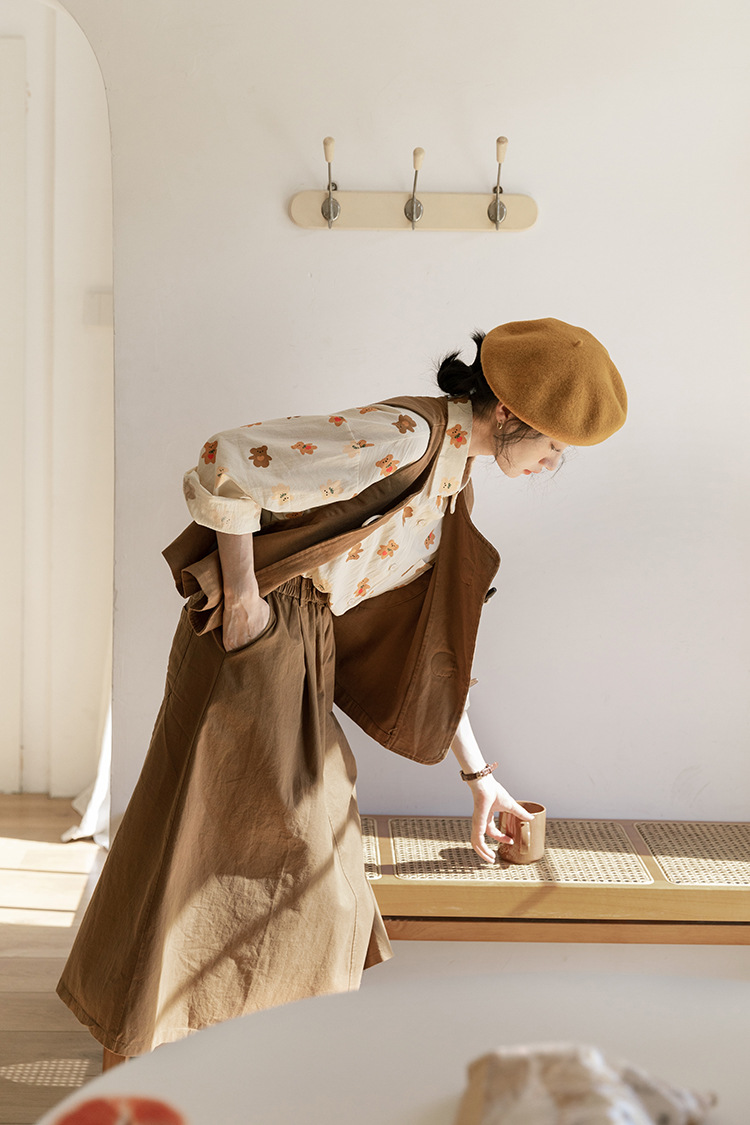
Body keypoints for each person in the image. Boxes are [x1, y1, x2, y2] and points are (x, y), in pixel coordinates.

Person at [57, 317, 627, 1066]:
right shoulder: (407, 437)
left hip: (302, 645)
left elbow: (433, 652)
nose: (553, 462)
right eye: (553, 444)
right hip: (262, 636)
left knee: (271, 863)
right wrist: (243, 601)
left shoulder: (453, 480)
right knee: (223, 847)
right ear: (510, 412)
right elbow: (228, 457)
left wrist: (480, 778)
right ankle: (141, 1056)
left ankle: (213, 1057)